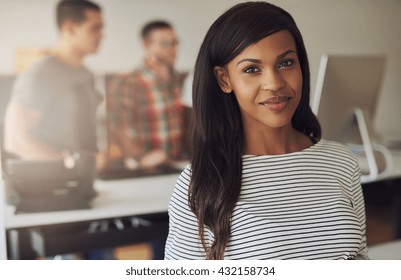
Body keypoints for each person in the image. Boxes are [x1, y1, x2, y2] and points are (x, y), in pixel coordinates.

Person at [164, 1, 368, 260]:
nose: (274, 83)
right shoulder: (200, 182)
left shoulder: (341, 161)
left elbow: (360, 257)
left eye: (286, 63)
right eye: (252, 69)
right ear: (224, 79)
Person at [4, 0, 104, 165]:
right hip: (53, 183)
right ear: (70, 28)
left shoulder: (86, 74)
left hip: (87, 177)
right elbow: (16, 140)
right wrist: (70, 163)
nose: (102, 35)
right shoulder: (40, 75)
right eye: (95, 28)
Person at [106, 20, 187, 172]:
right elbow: (119, 127)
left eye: (175, 42)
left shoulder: (181, 80)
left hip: (178, 166)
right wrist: (141, 157)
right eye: (165, 44)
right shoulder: (127, 82)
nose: (173, 49)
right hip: (146, 169)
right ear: (146, 45)